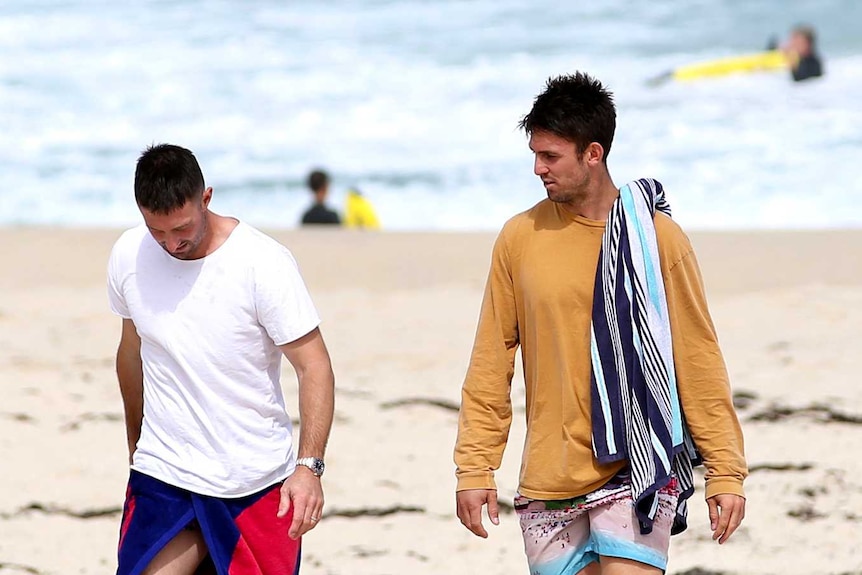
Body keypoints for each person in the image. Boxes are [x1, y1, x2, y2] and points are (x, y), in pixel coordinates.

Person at [453, 73, 747, 575]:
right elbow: (491, 358)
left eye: (550, 157)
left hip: (636, 465)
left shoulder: (657, 239)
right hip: (548, 475)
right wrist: (474, 465)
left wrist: (726, 472)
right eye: (535, 154)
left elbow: (696, 355)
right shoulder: (519, 237)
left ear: (593, 153)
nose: (537, 168)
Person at [108, 144, 335, 574]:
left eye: (181, 229)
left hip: (255, 481)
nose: (170, 244)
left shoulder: (262, 263)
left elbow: (315, 365)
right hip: (165, 472)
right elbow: (131, 351)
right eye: (157, 231)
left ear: (206, 198)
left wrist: (309, 468)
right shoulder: (129, 254)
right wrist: (138, 446)